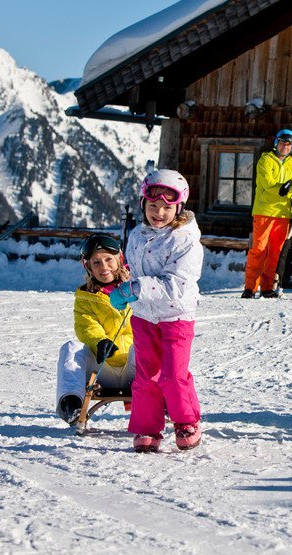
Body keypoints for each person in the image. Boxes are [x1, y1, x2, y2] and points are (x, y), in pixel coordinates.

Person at [108, 169, 205, 452]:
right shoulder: (137, 234)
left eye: (166, 207)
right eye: (152, 206)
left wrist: (136, 288)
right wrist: (124, 285)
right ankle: (148, 427)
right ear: (143, 205)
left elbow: (176, 284)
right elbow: (134, 269)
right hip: (144, 315)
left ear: (179, 207)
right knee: (146, 374)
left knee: (173, 374)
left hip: (176, 316)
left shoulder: (186, 241)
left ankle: (186, 421)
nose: (158, 212)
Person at [55, 234, 135, 426]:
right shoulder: (85, 298)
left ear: (120, 260)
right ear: (88, 267)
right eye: (96, 262)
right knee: (71, 348)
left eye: (109, 259)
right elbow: (86, 326)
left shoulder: (136, 288)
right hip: (102, 368)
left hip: (136, 370)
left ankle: (166, 399)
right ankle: (71, 402)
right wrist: (100, 342)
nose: (104, 266)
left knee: (146, 346)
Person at [243, 129, 292, 298]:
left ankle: (267, 287)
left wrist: (291, 184)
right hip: (264, 211)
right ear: (276, 143)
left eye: (289, 144)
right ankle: (250, 288)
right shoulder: (265, 160)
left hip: (283, 213)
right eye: (282, 143)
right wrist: (284, 188)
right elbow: (268, 184)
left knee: (275, 252)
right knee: (259, 250)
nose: (285, 147)